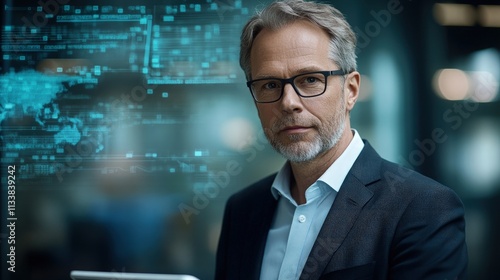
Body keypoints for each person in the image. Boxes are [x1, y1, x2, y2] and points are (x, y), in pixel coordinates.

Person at [215, 0, 468, 279]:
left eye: (310, 80)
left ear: (351, 90)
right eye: (270, 85)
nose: (288, 103)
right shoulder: (242, 210)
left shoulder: (423, 208)